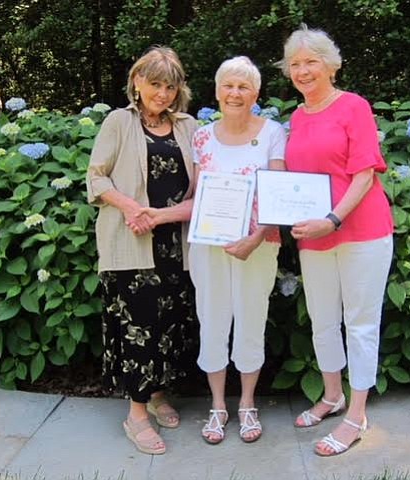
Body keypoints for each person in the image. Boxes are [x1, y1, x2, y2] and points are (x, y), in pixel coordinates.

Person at [142, 56, 286, 444]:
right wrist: (156, 214)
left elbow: (278, 194)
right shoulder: (202, 137)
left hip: (258, 244)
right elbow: (195, 196)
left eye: (243, 87)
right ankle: (219, 406)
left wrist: (256, 236)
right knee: (213, 319)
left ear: (255, 94)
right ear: (217, 92)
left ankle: (248, 405)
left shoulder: (274, 132)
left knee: (252, 320)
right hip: (209, 246)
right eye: (228, 86)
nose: (235, 93)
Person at [278, 25, 394, 456]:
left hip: (360, 230)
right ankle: (332, 395)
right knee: (323, 319)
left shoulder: (354, 107)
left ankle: (357, 414)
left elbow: (365, 173)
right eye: (295, 64)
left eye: (311, 61)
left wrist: (333, 218)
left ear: (332, 64)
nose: (303, 70)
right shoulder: (297, 116)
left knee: (360, 323)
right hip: (315, 236)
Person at [86, 46, 198, 456]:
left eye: (170, 86)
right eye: (155, 84)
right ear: (137, 81)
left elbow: (202, 185)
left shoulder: (187, 126)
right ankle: (135, 415)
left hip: (175, 243)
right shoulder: (119, 122)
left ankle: (157, 394)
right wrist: (135, 209)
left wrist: (163, 216)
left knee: (170, 324)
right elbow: (96, 179)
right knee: (139, 327)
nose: (163, 94)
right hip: (131, 242)